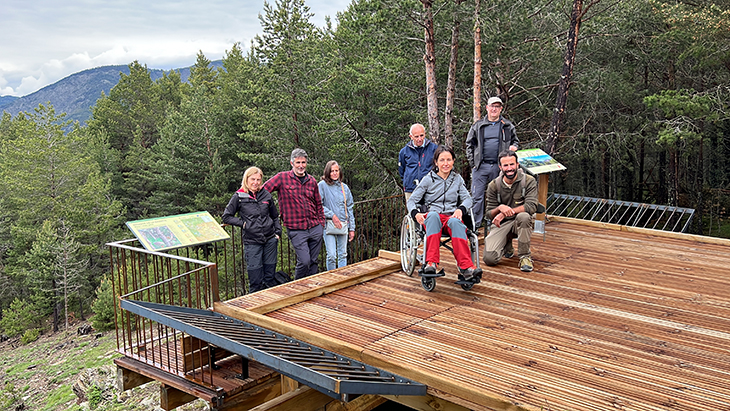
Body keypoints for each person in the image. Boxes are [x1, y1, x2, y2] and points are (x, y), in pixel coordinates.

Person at [407, 145, 481, 280]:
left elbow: (468, 199)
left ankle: (466, 266)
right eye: (442, 160)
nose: (445, 164)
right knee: (434, 216)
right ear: (436, 162)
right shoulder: (428, 179)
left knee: (456, 222)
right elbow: (412, 201)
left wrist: (461, 209)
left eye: (449, 160)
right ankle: (431, 262)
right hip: (433, 217)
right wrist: (415, 214)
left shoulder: (457, 179)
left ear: (453, 161)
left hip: (451, 216)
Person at [263, 148, 326, 280]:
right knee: (304, 261)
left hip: (315, 227)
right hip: (296, 229)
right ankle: (297, 287)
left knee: (314, 261)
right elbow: (263, 190)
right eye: (298, 162)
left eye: (303, 162)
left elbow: (318, 204)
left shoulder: (312, 181)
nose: (301, 166)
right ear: (292, 163)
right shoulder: (282, 178)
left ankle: (312, 287)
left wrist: (321, 224)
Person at [222, 167, 282, 293]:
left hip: (270, 240)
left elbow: (275, 215)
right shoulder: (239, 196)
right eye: (253, 179)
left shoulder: (266, 195)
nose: (256, 182)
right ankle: (254, 306)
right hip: (252, 241)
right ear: (246, 179)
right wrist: (243, 224)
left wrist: (277, 233)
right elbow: (226, 217)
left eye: (258, 180)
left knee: (269, 277)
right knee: (255, 279)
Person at [465, 96, 519, 228]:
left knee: (498, 196)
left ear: (501, 109)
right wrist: (473, 164)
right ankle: (475, 225)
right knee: (477, 197)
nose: (494, 109)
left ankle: (494, 223)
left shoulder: (507, 126)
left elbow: (515, 141)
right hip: (480, 167)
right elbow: (469, 145)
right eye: (492, 106)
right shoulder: (478, 126)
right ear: (487, 108)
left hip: (499, 168)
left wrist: (514, 147)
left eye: (497, 106)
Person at [483, 150, 538, 272]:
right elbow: (488, 214)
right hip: (501, 225)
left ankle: (525, 256)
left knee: (524, 216)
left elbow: (531, 206)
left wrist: (506, 212)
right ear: (500, 167)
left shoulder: (529, 181)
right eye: (505, 165)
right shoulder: (493, 185)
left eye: (512, 164)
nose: (509, 168)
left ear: (517, 164)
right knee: (489, 259)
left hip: (520, 222)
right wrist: (499, 208)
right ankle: (506, 245)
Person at [318, 161, 355, 271]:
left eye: (336, 171)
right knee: (332, 256)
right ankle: (332, 277)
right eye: (332, 171)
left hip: (343, 224)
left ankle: (342, 278)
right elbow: (318, 205)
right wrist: (332, 215)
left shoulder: (344, 188)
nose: (334, 173)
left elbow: (349, 208)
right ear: (327, 172)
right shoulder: (322, 186)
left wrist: (352, 228)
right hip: (328, 224)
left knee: (343, 254)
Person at [398, 123, 437, 201]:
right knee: (413, 212)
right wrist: (407, 180)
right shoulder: (404, 152)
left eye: (422, 135)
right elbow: (402, 170)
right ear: (411, 137)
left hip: (430, 189)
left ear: (425, 134)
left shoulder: (434, 149)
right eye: (416, 136)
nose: (419, 139)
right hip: (411, 189)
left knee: (430, 212)